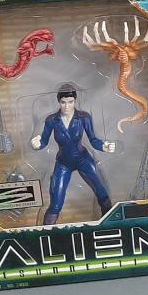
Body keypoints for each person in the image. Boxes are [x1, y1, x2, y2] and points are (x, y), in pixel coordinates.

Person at [31, 83, 115, 225]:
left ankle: (110, 223)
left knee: (102, 193)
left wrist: (103, 146)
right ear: (59, 102)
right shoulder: (52, 120)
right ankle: (45, 231)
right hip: (63, 163)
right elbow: (43, 141)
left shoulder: (83, 118)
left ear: (75, 101)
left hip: (83, 159)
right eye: (63, 102)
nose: (67, 106)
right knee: (56, 203)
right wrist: (36, 145)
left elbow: (93, 140)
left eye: (70, 102)